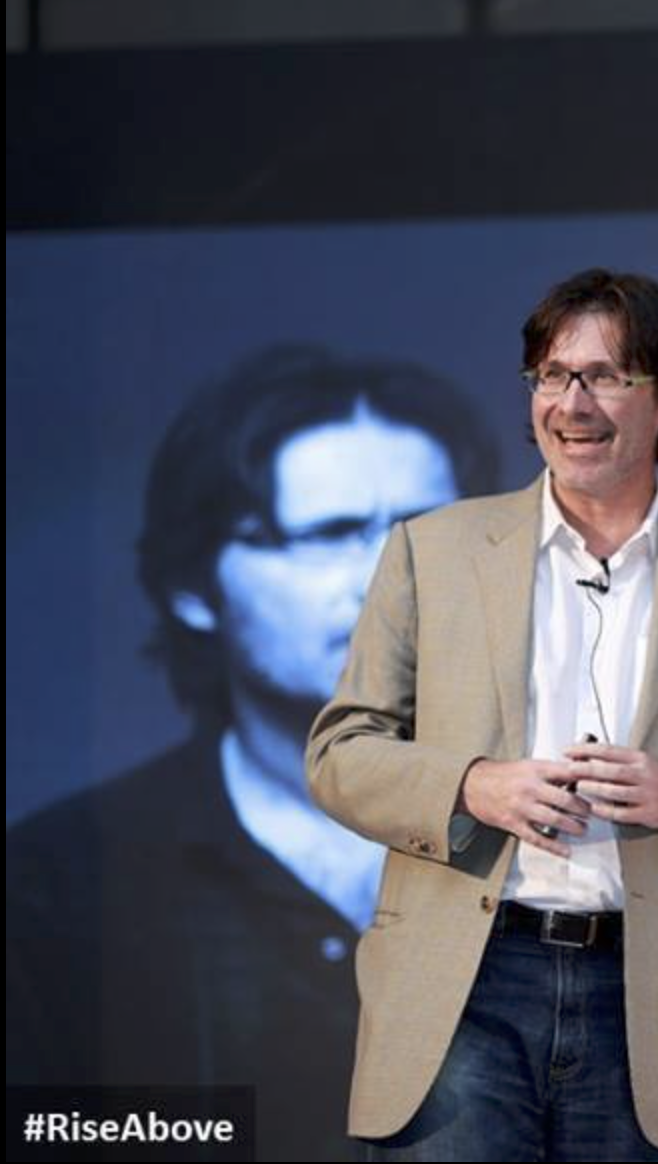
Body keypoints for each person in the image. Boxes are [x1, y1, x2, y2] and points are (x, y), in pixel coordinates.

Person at [307, 267, 658, 1160]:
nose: (572, 404)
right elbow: (340, 755)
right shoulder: (432, 552)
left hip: (640, 996)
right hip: (464, 982)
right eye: (553, 375)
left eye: (606, 376)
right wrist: (473, 786)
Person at [5, 345, 498, 1162]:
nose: (391, 577)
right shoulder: (55, 887)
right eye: (329, 534)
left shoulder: (594, 832)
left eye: (428, 531)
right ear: (193, 587)